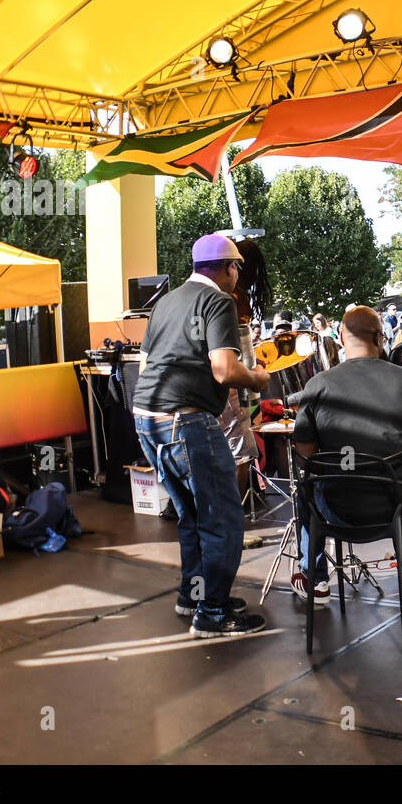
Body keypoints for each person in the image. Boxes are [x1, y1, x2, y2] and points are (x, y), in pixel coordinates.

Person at [132, 234, 272, 637]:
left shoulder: (165, 302)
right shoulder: (218, 302)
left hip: (146, 419)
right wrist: (258, 379)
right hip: (186, 422)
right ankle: (212, 612)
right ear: (230, 267)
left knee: (191, 515)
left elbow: (145, 366)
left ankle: (192, 595)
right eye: (237, 269)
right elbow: (225, 369)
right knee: (223, 518)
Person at [290, 306, 402, 606]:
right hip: (397, 510)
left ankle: (316, 579)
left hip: (336, 510)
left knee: (306, 487)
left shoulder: (317, 385)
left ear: (341, 339)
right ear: (379, 337)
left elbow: (304, 455)